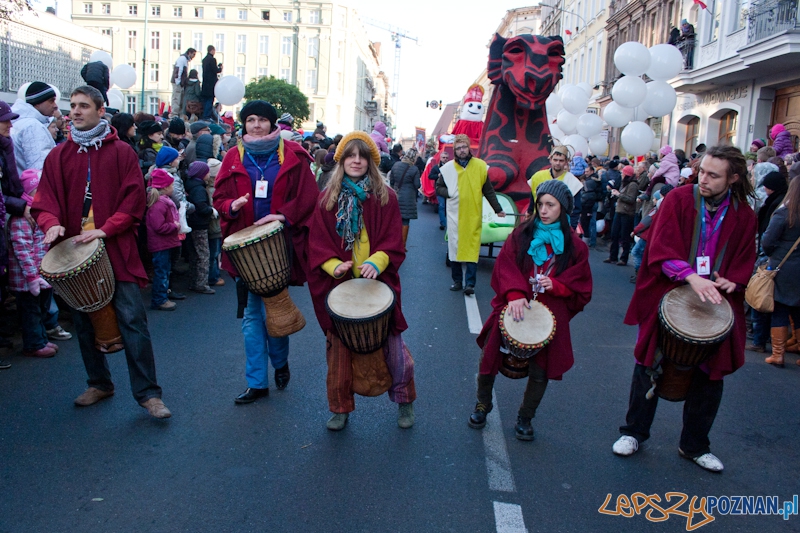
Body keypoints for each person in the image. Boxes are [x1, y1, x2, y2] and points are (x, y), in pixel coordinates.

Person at [612, 145, 756, 473]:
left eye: (713, 175)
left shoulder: (744, 215)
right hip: (671, 293)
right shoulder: (678, 199)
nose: (702, 178)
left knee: (710, 377)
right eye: (702, 171)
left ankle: (694, 445)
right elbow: (659, 249)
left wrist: (733, 281)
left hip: (714, 304)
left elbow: (744, 260)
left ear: (733, 178)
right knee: (648, 365)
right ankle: (633, 432)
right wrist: (691, 276)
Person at [32, 85, 171, 418]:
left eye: (83, 106)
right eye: (72, 106)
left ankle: (149, 394)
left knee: (133, 322)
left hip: (116, 248)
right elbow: (44, 200)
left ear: (100, 110)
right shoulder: (58, 155)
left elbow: (134, 199)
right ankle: (99, 383)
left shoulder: (122, 152)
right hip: (76, 253)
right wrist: (51, 223)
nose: (75, 112)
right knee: (84, 322)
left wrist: (106, 228)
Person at [306, 132, 416, 431]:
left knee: (395, 351)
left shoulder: (386, 197)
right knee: (339, 357)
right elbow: (316, 243)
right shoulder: (326, 199)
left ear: (370, 161)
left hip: (379, 284)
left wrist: (376, 261)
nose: (356, 161)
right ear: (341, 161)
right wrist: (333, 266)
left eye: (362, 156)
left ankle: (405, 401)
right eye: (350, 156)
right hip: (340, 288)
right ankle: (339, 409)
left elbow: (393, 241)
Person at [468, 180, 592, 440]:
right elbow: (505, 265)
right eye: (540, 204)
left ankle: (525, 417)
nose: (543, 210)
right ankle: (482, 404)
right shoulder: (521, 234)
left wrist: (557, 286)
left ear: (563, 209)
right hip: (513, 304)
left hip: (549, 312)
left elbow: (581, 285)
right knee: (489, 357)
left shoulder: (576, 247)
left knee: (541, 370)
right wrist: (514, 293)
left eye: (551, 205)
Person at [212, 100, 318, 404]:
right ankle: (257, 382)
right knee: (251, 317)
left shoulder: (293, 154)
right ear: (244, 124)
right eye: (250, 120)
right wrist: (231, 206)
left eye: (262, 120)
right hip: (243, 249)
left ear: (273, 124)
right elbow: (219, 198)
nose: (256, 125)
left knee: (275, 311)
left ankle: (280, 362)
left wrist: (283, 215)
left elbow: (309, 198)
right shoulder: (233, 156)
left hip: (277, 247)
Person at [436, 134, 506, 295]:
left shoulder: (480, 166)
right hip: (455, 215)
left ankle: (470, 284)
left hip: (473, 215)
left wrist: (498, 209)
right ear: (455, 151)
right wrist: (450, 193)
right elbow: (438, 188)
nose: (461, 150)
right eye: (458, 148)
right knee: (454, 248)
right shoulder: (448, 169)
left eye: (464, 147)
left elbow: (488, 190)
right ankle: (457, 281)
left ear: (469, 148)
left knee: (472, 249)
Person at [8, 169, 60, 358]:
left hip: (40, 273)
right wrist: (31, 277)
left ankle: (41, 339)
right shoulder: (22, 218)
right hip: (27, 278)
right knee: (30, 311)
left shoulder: (39, 213)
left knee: (40, 309)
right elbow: (22, 249)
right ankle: (34, 343)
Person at [762, 177, 800, 366]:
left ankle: (778, 354)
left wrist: (773, 254)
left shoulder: (785, 213)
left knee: (779, 309)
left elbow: (767, 241)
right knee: (798, 311)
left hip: (783, 267)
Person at [145, 169, 181, 311]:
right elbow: (158, 226)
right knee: (162, 272)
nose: (173, 188)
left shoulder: (162, 202)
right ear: (165, 188)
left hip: (165, 243)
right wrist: (174, 226)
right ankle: (159, 299)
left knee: (164, 271)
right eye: (171, 185)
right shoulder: (159, 205)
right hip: (161, 245)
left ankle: (164, 295)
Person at [11, 81, 58, 176]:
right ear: (37, 103)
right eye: (51, 101)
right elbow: (40, 169)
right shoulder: (33, 126)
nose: (55, 105)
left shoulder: (18, 122)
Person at [526, 146, 582, 215]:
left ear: (566, 162)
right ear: (550, 160)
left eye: (561, 160)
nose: (557, 163)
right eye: (555, 160)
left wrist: (570, 222)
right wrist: (530, 212)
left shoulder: (572, 182)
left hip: (560, 220)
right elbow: (533, 199)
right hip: (538, 218)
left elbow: (576, 209)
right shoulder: (537, 176)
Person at [185, 161, 215, 294]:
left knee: (194, 254)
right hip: (200, 224)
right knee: (203, 254)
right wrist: (211, 210)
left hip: (191, 223)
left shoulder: (190, 185)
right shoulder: (199, 189)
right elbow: (201, 207)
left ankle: (194, 281)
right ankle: (201, 283)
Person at [604, 165, 639, 266]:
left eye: (623, 173)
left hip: (627, 213)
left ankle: (624, 258)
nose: (622, 174)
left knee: (624, 236)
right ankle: (613, 256)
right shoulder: (624, 183)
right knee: (614, 234)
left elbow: (631, 199)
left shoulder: (633, 185)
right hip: (619, 211)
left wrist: (619, 195)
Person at [389, 147, 421, 251]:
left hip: (396, 195)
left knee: (394, 219)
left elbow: (391, 181)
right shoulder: (414, 169)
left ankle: (392, 243)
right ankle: (402, 246)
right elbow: (417, 185)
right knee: (405, 221)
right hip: (408, 198)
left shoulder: (396, 165)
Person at [204, 159, 224, 287]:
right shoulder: (212, 191)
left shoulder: (208, 188)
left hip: (213, 226)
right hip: (214, 227)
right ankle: (213, 276)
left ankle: (214, 273)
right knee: (214, 252)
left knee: (214, 251)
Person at [428, 147, 453, 230]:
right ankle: (443, 223)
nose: (445, 159)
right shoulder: (436, 167)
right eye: (443, 157)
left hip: (450, 189)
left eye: (446, 158)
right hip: (439, 189)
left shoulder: (451, 167)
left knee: (449, 207)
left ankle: (449, 223)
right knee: (441, 206)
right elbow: (430, 176)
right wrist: (437, 176)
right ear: (440, 158)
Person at [170, 48, 196, 118]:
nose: (193, 56)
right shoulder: (182, 59)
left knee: (179, 98)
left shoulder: (184, 60)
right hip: (178, 83)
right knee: (176, 98)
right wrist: (178, 82)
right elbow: (178, 70)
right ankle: (175, 114)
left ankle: (177, 113)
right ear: (189, 53)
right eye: (193, 54)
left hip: (180, 83)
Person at [579, 165, 600, 244]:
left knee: (588, 223)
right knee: (591, 222)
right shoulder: (594, 180)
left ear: (592, 171)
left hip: (589, 204)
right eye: (585, 171)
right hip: (593, 202)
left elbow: (588, 194)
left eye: (587, 171)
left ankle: (589, 241)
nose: (586, 173)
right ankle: (592, 240)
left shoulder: (590, 182)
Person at [201, 46, 222, 120]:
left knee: (205, 101)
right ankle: (207, 116)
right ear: (212, 50)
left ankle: (204, 115)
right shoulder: (212, 59)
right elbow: (215, 70)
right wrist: (220, 68)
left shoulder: (204, 60)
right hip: (211, 84)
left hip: (205, 84)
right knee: (210, 101)